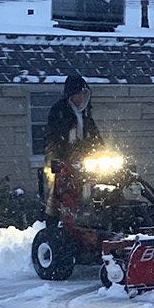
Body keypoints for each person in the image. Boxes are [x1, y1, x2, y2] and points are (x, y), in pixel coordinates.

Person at [43, 75, 101, 218]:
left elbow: (94, 136)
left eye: (83, 93)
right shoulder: (60, 112)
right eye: (78, 94)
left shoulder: (86, 114)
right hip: (64, 158)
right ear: (71, 94)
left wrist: (101, 151)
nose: (81, 97)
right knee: (57, 187)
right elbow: (54, 138)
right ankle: (54, 216)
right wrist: (60, 158)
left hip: (86, 159)